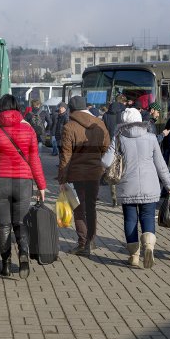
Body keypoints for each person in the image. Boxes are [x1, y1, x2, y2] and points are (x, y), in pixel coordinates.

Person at [0, 94, 46, 279]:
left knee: (4, 224)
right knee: (21, 221)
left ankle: (6, 263)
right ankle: (23, 253)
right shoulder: (29, 130)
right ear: (17, 107)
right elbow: (34, 160)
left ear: (0, 108)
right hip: (23, 182)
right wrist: (41, 185)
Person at [102, 108, 170, 268]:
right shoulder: (151, 138)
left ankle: (134, 256)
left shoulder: (119, 138)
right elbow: (160, 164)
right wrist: (169, 184)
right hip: (150, 186)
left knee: (130, 219)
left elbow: (106, 162)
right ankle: (149, 246)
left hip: (127, 186)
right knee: (147, 216)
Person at [58, 96, 110, 256]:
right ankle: (91, 240)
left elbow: (66, 156)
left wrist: (62, 178)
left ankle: (82, 243)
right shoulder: (99, 124)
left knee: (79, 208)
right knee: (91, 206)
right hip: (95, 172)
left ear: (71, 110)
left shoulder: (69, 127)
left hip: (77, 173)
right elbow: (106, 148)